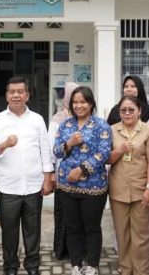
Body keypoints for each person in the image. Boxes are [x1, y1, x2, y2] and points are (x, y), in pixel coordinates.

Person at [0, 76, 54, 275]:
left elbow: (45, 150)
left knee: (33, 231)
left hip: (33, 185)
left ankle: (32, 267)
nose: (16, 95)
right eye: (12, 92)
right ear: (6, 95)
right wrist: (4, 145)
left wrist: (48, 178)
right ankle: (10, 267)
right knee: (9, 231)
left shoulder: (37, 119)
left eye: (20, 92)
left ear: (27, 95)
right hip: (8, 186)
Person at [53, 86, 111, 275]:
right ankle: (76, 264)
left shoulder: (101, 126)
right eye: (75, 102)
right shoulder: (65, 125)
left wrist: (81, 169)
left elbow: (103, 153)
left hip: (93, 186)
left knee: (92, 227)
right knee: (72, 227)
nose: (79, 106)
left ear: (91, 103)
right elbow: (56, 151)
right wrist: (69, 143)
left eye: (83, 102)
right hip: (67, 186)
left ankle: (92, 265)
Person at [107, 95, 149, 275]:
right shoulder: (111, 130)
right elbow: (106, 159)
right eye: (123, 110)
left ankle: (141, 271)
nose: (127, 113)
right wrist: (120, 150)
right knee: (122, 235)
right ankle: (126, 270)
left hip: (141, 190)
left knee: (142, 237)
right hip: (118, 190)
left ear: (139, 111)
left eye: (131, 110)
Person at [48, 81, 79, 260]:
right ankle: (62, 249)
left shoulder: (88, 117)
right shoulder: (58, 119)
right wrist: (51, 172)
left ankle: (78, 250)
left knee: (79, 214)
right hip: (62, 173)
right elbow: (51, 148)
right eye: (72, 95)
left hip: (83, 175)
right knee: (64, 212)